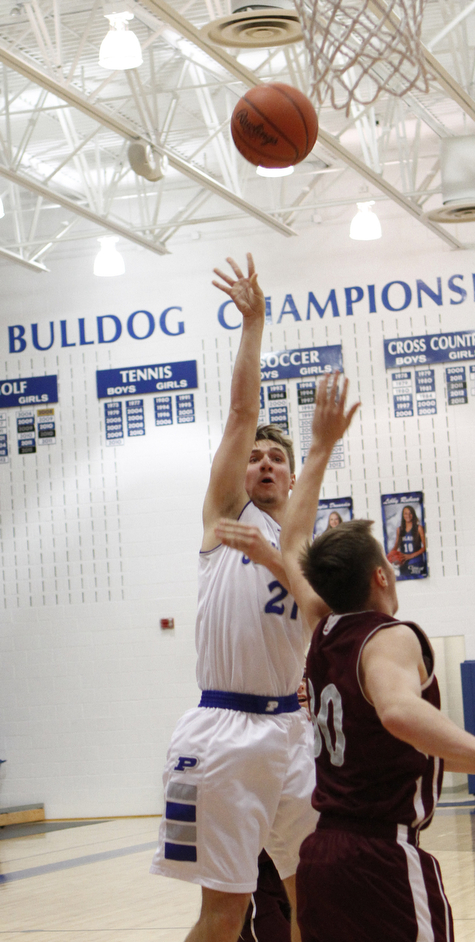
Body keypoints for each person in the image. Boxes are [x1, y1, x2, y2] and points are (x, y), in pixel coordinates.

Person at [279, 373, 475, 942]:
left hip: (321, 855)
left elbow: (292, 545)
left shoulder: (322, 625)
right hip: (380, 859)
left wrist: (320, 449)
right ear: (382, 574)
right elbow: (397, 712)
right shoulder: (389, 634)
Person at [150, 255, 316, 942]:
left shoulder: (305, 546)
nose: (266, 462)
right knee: (225, 912)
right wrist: (254, 324)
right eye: (256, 457)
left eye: (279, 458)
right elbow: (243, 412)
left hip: (292, 733)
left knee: (318, 901)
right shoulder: (226, 517)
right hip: (223, 731)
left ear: (296, 475)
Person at [388, 504, 426, 579]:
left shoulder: (419, 528)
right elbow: (396, 545)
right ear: (403, 515)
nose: (408, 515)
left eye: (410, 513)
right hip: (403, 561)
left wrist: (411, 556)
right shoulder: (399, 529)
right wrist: (390, 554)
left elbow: (424, 547)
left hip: (416, 561)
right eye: (405, 513)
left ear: (413, 514)